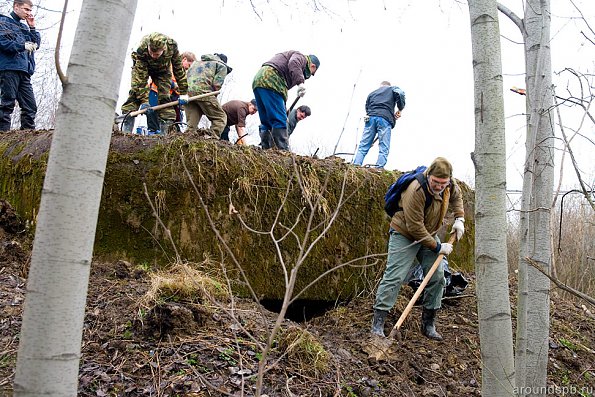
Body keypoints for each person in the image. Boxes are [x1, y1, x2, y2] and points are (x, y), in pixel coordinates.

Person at [371, 157, 465, 341]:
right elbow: (415, 227)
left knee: (438, 276)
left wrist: (459, 218)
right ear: (429, 175)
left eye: (443, 183)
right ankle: (378, 324)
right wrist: (438, 246)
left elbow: (457, 197)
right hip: (405, 233)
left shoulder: (450, 185)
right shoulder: (416, 189)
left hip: (428, 233)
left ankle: (428, 324)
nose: (439, 186)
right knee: (394, 276)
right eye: (435, 182)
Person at [120, 32, 189, 134]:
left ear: (164, 49)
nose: (153, 56)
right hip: (144, 67)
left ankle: (165, 132)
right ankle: (126, 131)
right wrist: (145, 102)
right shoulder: (142, 48)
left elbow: (178, 69)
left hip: (162, 71)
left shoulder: (172, 47)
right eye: (151, 53)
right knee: (135, 94)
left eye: (156, 54)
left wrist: (183, 93)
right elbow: (140, 79)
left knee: (165, 97)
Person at [252, 50, 319, 150]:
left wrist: (283, 109)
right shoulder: (302, 58)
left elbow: (278, 98)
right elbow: (294, 63)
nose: (309, 76)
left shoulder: (289, 58)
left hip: (259, 81)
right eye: (312, 73)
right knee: (280, 120)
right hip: (272, 80)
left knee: (266, 121)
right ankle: (282, 151)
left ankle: (265, 149)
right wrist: (300, 83)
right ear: (313, 66)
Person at [0, 0, 41, 131]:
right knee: (7, 103)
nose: (29, 13)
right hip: (9, 68)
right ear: (16, 7)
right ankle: (2, 135)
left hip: (24, 70)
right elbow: (3, 43)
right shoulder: (3, 22)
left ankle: (27, 138)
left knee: (30, 107)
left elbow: (36, 44)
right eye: (26, 9)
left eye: (30, 10)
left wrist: (32, 27)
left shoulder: (23, 27)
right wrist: (22, 46)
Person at [353, 81, 406, 169]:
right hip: (384, 119)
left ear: (380, 86)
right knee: (384, 146)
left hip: (370, 118)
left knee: (363, 145)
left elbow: (367, 107)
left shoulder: (372, 93)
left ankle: (356, 166)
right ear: (388, 86)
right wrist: (400, 109)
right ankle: (378, 168)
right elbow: (400, 93)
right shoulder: (392, 89)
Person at [145, 51, 196, 134]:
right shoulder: (171, 65)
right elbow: (165, 78)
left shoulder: (182, 72)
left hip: (167, 95)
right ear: (184, 59)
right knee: (152, 111)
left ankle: (161, 133)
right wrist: (175, 85)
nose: (189, 68)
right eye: (189, 65)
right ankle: (152, 131)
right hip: (156, 90)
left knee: (167, 115)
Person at [185, 53, 231, 137]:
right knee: (220, 118)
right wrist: (211, 103)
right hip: (204, 93)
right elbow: (217, 85)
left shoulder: (196, 63)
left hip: (188, 94)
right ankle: (211, 138)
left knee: (191, 124)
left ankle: (186, 140)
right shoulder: (221, 65)